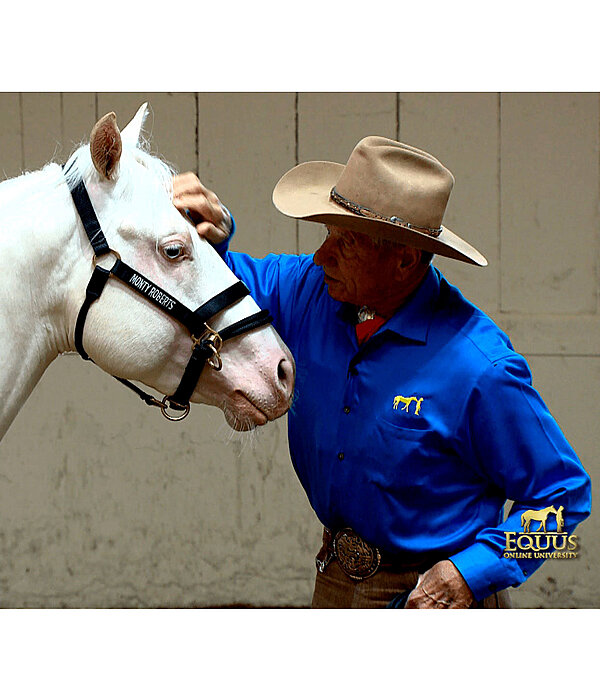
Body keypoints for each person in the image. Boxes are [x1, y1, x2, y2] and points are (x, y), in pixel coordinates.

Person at [173, 136, 591, 609]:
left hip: (438, 601)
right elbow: (219, 287)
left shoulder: (479, 367)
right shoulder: (312, 291)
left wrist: (471, 574)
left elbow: (565, 502)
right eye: (328, 234)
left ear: (405, 259)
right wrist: (214, 232)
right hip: (334, 579)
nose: (320, 256)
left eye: (345, 242)